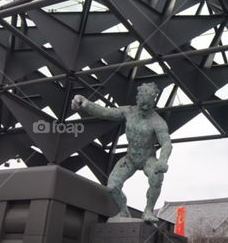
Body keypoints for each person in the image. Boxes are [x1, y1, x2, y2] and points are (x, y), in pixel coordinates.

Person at [72, 83, 171, 222]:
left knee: (157, 177)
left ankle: (148, 211)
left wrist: (163, 160)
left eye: (148, 106)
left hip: (148, 158)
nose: (144, 108)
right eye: (142, 104)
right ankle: (124, 211)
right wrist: (85, 103)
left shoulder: (158, 122)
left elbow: (166, 142)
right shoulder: (128, 111)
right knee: (112, 186)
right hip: (130, 158)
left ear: (153, 102)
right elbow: (106, 112)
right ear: (137, 99)